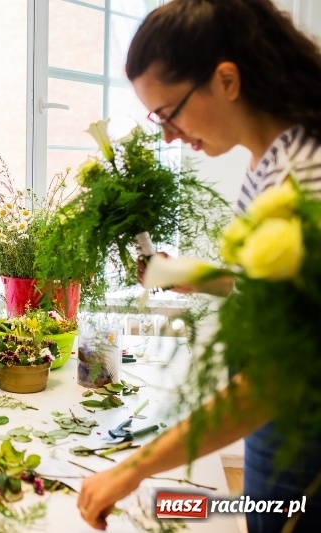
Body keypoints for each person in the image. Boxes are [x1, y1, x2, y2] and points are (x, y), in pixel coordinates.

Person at [77, 1, 321, 531]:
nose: (167, 134)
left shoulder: (303, 175)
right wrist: (186, 275)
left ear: (226, 79)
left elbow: (280, 375)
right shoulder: (270, 160)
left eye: (169, 112)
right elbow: (272, 286)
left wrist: (135, 469)